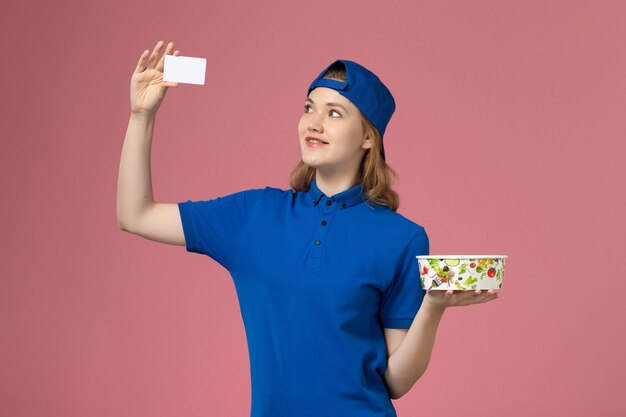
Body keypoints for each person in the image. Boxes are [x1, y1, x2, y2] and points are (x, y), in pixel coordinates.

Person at [117, 40, 499, 417]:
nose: (313, 123)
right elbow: (136, 215)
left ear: (369, 137)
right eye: (309, 108)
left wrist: (433, 307)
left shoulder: (403, 238)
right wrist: (141, 116)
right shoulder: (255, 215)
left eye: (335, 113)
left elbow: (396, 382)